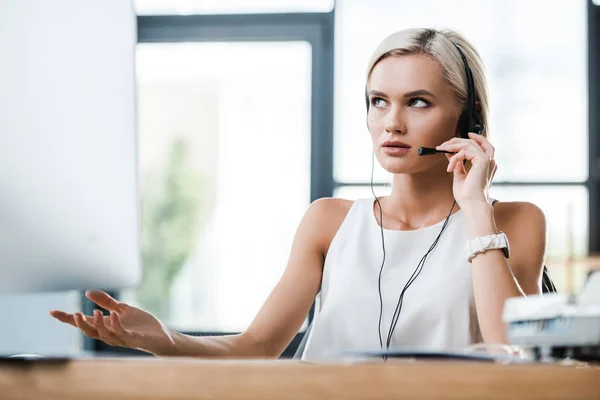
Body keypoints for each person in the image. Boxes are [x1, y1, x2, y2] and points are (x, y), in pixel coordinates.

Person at [49, 27, 546, 361]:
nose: (391, 122)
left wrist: (477, 208)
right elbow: (256, 348)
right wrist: (166, 339)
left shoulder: (515, 221)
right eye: (378, 102)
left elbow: (510, 350)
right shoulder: (328, 221)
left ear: (468, 120)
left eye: (418, 102)